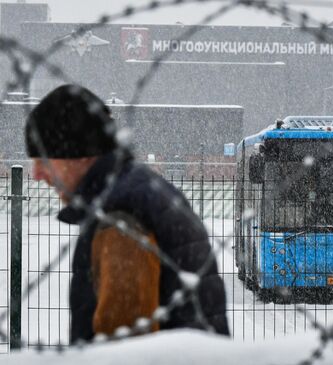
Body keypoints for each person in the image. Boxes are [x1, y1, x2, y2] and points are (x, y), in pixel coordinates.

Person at [25, 84, 229, 343]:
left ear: (79, 154)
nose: (36, 174)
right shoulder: (138, 192)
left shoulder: (121, 217)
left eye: (44, 161)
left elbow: (123, 345)